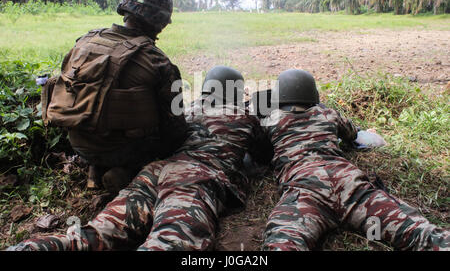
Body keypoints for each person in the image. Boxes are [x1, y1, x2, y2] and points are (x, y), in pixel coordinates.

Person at [7, 66, 273, 251]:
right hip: (194, 180)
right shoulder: (244, 117)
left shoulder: (187, 109)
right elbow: (263, 154)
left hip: (155, 172)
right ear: (236, 92)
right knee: (175, 241)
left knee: (99, 232)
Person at [261, 69, 449, 251]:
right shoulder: (328, 114)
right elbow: (352, 134)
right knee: (418, 232)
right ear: (313, 94)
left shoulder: (271, 120)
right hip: (350, 184)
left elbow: (257, 151)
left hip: (306, 189)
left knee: (282, 244)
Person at [40, 0, 188, 193]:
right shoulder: (157, 60)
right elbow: (175, 127)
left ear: (125, 9)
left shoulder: (84, 42)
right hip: (125, 150)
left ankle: (96, 168)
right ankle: (128, 173)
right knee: (182, 139)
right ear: (160, 21)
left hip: (78, 143)